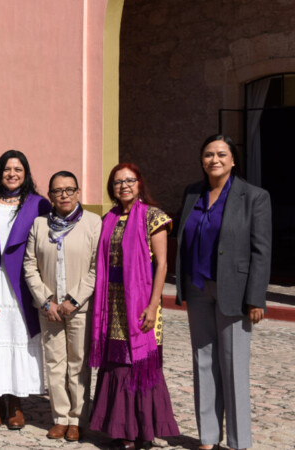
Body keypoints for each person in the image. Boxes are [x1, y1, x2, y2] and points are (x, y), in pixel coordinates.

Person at [176, 134, 271, 450]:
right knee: (203, 362)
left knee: (233, 366)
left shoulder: (254, 196)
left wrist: (256, 297)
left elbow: (261, 250)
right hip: (198, 287)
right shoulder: (193, 193)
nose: (213, 160)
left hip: (234, 290)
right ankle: (207, 437)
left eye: (220, 154)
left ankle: (239, 441)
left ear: (232, 159)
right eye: (207, 154)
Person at [88, 163, 180, 450]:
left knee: (139, 363)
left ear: (140, 183)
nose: (123, 186)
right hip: (112, 302)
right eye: (117, 182)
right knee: (116, 361)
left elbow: (162, 265)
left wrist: (153, 306)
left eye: (129, 180)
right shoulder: (109, 218)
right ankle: (119, 428)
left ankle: (142, 429)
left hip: (142, 302)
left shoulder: (154, 216)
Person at [0, 149, 51, 430]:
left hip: (21, 284)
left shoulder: (39, 205)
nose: (12, 174)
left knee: (18, 338)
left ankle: (16, 403)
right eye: (7, 169)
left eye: (18, 169)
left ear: (25, 173)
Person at [23, 170, 101, 442]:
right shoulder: (39, 225)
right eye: (57, 191)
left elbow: (96, 267)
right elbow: (29, 265)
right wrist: (46, 300)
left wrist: (75, 299)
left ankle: (77, 418)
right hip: (50, 308)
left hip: (79, 306)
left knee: (78, 362)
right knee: (55, 362)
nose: (64, 195)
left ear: (78, 192)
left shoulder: (93, 223)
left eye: (69, 189)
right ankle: (60, 417)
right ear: (50, 196)